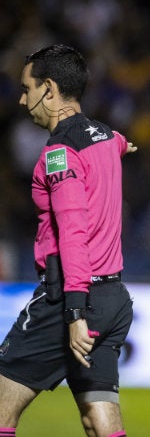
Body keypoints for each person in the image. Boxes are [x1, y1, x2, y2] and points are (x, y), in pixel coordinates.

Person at [0, 44, 136, 437]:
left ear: (49, 88)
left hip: (71, 299)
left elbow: (73, 231)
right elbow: (115, 140)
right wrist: (125, 145)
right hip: (113, 300)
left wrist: (74, 312)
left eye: (27, 89)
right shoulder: (106, 137)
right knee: (99, 418)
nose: (23, 100)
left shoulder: (59, 153)